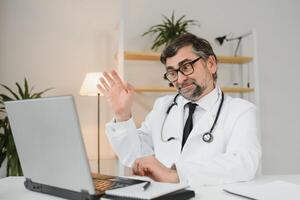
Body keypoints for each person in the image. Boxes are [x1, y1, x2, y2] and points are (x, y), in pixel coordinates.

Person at [97, 33, 261, 187]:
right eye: (172, 73)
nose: (181, 79)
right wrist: (122, 114)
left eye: (187, 66)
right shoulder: (163, 106)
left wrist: (175, 175)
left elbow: (244, 163)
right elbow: (136, 156)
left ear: (211, 64)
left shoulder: (240, 110)